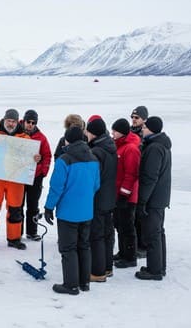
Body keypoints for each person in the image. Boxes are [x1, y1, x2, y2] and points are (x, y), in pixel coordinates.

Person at [44, 126, 100, 295]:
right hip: (86, 211)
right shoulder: (93, 158)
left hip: (68, 213)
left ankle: (71, 285)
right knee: (83, 246)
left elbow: (56, 187)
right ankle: (84, 282)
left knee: (68, 249)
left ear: (68, 140)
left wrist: (49, 207)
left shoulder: (64, 160)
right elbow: (96, 185)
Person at [0, 108, 40, 251]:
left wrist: (36, 158)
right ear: (4, 120)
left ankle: (14, 239)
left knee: (15, 211)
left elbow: (32, 157)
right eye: (9, 121)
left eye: (13, 121)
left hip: (16, 180)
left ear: (18, 122)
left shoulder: (24, 137)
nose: (11, 124)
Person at [135, 116, 171, 281]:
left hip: (153, 198)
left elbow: (150, 177)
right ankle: (159, 266)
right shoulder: (160, 145)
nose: (142, 129)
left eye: (145, 127)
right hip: (160, 197)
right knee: (158, 232)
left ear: (153, 129)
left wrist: (142, 200)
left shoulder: (155, 148)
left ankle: (154, 270)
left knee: (152, 233)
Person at [86, 116, 117, 282]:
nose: (86, 133)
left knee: (96, 235)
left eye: (88, 131)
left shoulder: (96, 152)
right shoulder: (110, 146)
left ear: (94, 133)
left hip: (98, 198)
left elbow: (93, 179)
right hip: (109, 197)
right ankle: (107, 267)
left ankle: (97, 272)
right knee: (107, 233)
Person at [111, 118, 141, 268]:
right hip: (118, 194)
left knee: (127, 226)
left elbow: (131, 174)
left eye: (114, 131)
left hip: (127, 197)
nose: (112, 133)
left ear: (121, 132)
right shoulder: (119, 146)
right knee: (119, 225)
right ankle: (123, 252)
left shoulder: (130, 149)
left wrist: (124, 194)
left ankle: (130, 257)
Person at [21, 109, 52, 241]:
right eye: (28, 122)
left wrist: (43, 172)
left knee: (33, 205)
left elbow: (48, 156)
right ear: (24, 120)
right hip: (18, 176)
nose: (30, 125)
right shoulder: (16, 133)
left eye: (33, 123)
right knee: (17, 206)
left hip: (35, 177)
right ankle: (16, 233)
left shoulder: (41, 137)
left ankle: (32, 232)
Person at [130, 105, 149, 257]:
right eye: (133, 117)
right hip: (132, 179)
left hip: (142, 180)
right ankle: (134, 244)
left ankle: (143, 245)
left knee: (142, 214)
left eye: (137, 118)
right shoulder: (130, 133)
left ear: (144, 119)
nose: (134, 120)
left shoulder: (146, 137)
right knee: (132, 215)